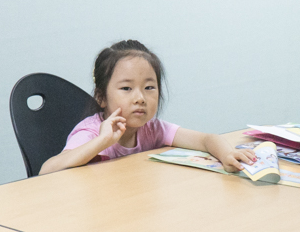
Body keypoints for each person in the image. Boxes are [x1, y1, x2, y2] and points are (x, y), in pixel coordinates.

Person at [40, 39, 255, 176]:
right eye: (126, 88)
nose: (140, 98)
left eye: (149, 87)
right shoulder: (92, 132)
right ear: (101, 97)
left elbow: (206, 139)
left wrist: (227, 154)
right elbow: (46, 171)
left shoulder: (152, 129)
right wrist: (102, 141)